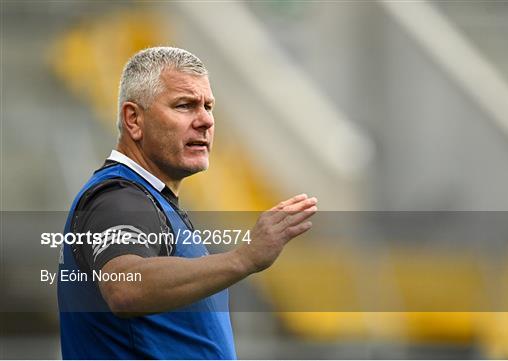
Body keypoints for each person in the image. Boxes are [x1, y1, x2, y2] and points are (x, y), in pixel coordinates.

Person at [57, 46, 317, 360]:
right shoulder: (119, 198)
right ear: (134, 119)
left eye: (208, 106)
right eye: (185, 105)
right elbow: (125, 286)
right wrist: (245, 258)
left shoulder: (152, 200)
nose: (205, 120)